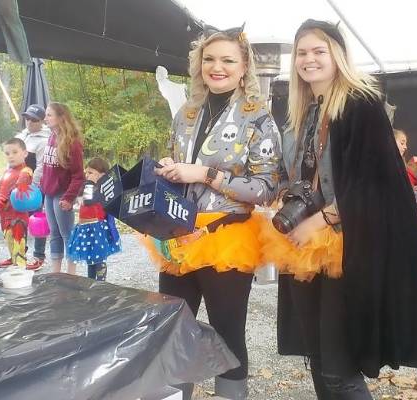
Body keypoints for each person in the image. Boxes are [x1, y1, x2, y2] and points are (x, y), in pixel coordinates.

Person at [264, 20, 417, 399]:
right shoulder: (303, 109)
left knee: (340, 367)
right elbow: (300, 173)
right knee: (319, 357)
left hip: (347, 246)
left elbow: (378, 182)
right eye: (302, 52)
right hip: (306, 247)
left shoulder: (360, 103)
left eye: (318, 51)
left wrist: (323, 219)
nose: (309, 60)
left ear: (337, 54)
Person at [148, 27, 281, 400]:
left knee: (227, 331)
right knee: (172, 329)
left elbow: (266, 189)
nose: (216, 67)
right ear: (198, 65)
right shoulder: (186, 114)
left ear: (244, 68)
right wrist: (169, 168)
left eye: (227, 60)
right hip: (177, 233)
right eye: (209, 59)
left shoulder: (259, 119)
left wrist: (206, 174)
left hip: (228, 237)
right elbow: (179, 168)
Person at [40, 102, 85, 274]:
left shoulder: (72, 143)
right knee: (54, 234)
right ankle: (56, 272)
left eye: (49, 115)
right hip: (49, 194)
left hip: (62, 194)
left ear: (61, 118)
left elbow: (78, 175)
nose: (46, 118)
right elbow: (46, 167)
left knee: (67, 234)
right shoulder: (51, 137)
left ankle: (71, 273)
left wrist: (69, 197)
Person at [66, 157, 121, 281]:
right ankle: (91, 281)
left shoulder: (100, 189)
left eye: (91, 173)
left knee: (99, 257)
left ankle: (101, 282)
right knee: (90, 257)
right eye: (86, 173)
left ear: (101, 175)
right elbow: (81, 199)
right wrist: (88, 184)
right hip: (85, 226)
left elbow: (89, 200)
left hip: (97, 227)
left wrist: (90, 184)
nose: (87, 175)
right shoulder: (87, 186)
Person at [16, 104, 51, 270]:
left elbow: (41, 167)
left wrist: (33, 187)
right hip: (17, 186)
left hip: (34, 187)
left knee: (37, 219)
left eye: (34, 119)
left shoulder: (44, 140)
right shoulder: (21, 136)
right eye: (27, 118)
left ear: (41, 121)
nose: (29, 122)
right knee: (18, 220)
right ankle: (19, 253)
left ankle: (39, 256)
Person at [0, 138, 34, 269]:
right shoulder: (6, 172)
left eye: (15, 152)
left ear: (25, 153)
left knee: (18, 243)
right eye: (7, 153)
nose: (11, 156)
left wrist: (22, 183)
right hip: (4, 216)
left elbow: (23, 181)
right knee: (9, 242)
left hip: (18, 217)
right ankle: (13, 259)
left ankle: (20, 270)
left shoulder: (26, 170)